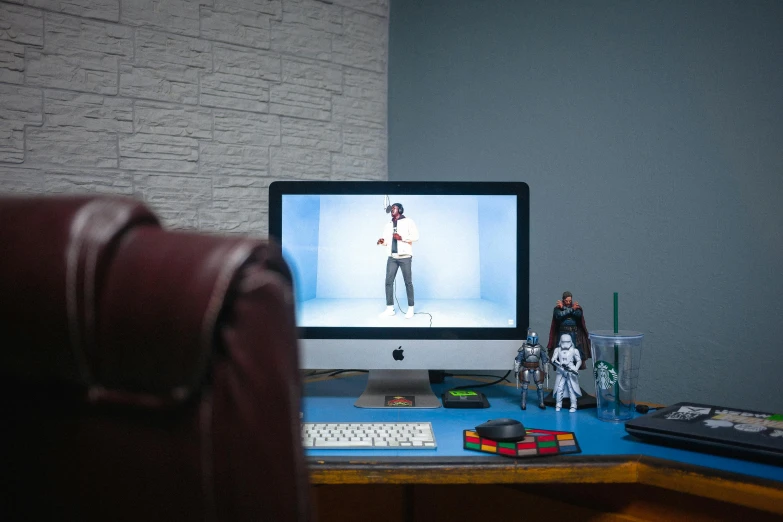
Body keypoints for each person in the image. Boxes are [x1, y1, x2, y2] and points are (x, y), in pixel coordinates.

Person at [377, 203, 419, 318]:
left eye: (394, 208)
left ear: (400, 209)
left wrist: (402, 238)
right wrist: (382, 241)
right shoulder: (388, 225)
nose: (391, 210)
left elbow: (416, 236)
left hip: (405, 257)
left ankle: (411, 308)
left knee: (408, 282)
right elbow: (386, 241)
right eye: (391, 208)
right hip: (392, 257)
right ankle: (390, 308)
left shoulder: (409, 221)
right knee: (388, 282)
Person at [547, 291, 590, 369]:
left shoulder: (576, 307)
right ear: (563, 300)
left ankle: (574, 366)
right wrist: (570, 310)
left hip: (573, 333)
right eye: (566, 301)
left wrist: (564, 308)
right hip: (562, 333)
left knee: (574, 351)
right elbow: (559, 315)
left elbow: (578, 315)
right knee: (560, 350)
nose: (568, 302)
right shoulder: (557, 309)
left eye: (570, 301)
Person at [513, 330, 548, 410]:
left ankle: (541, 402)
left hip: (536, 367)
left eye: (534, 338)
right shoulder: (524, 348)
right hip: (526, 367)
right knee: (524, 386)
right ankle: (523, 403)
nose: (533, 340)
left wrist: (546, 371)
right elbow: (518, 359)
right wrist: (516, 370)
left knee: (540, 386)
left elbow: (545, 360)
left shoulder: (540, 348)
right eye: (531, 338)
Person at [551, 334, 582, 412]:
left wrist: (575, 369)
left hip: (570, 371)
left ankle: (573, 405)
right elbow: (553, 360)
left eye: (567, 342)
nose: (565, 344)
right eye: (563, 342)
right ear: (560, 342)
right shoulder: (557, 350)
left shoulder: (575, 350)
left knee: (572, 389)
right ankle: (558, 404)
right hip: (561, 371)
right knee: (559, 388)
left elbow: (579, 361)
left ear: (571, 342)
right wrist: (558, 364)